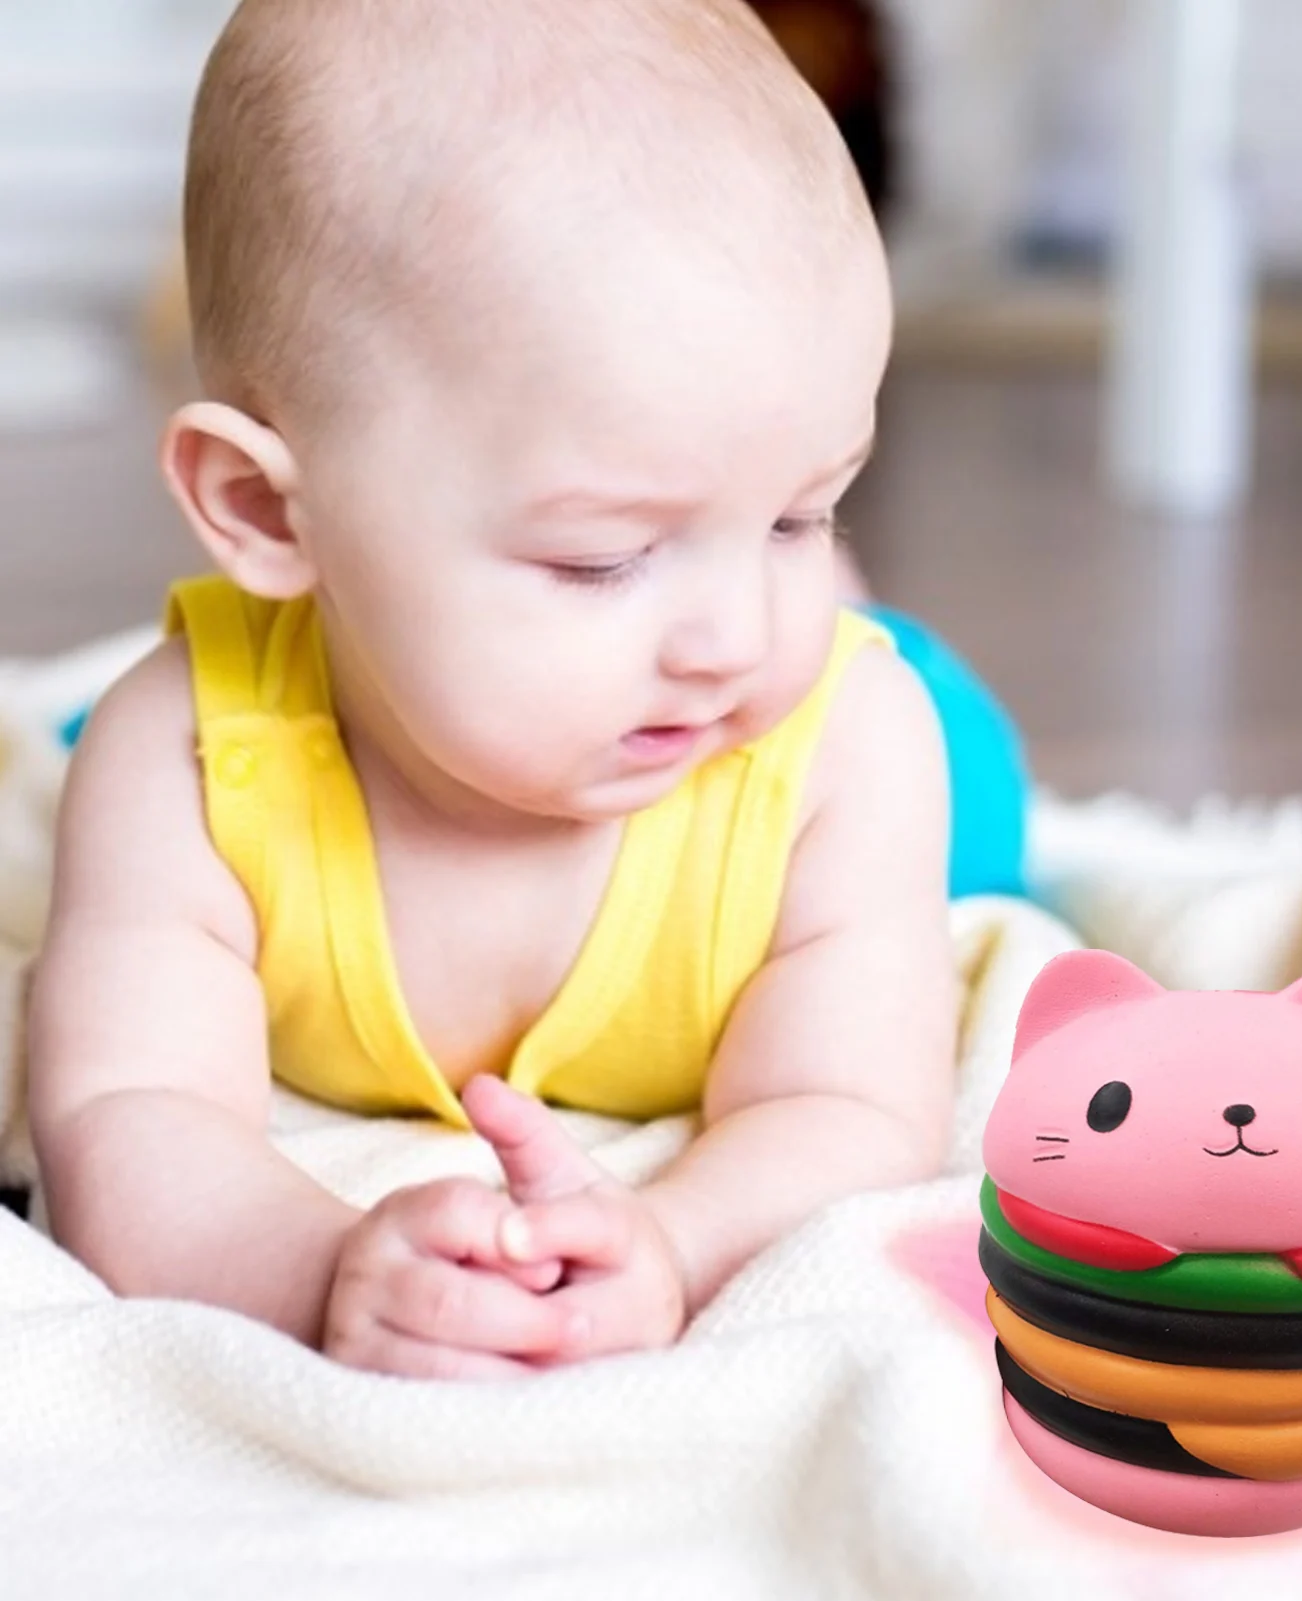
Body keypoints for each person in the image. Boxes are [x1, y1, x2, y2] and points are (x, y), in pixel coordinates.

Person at [27, 0, 1013, 1381]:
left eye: (804, 511)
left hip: (903, 761)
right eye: (602, 557)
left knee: (965, 783)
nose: (733, 636)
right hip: (314, 685)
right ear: (263, 507)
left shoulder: (842, 758)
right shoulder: (183, 760)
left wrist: (672, 1246)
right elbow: (126, 1116)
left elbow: (850, 1109)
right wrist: (320, 1268)